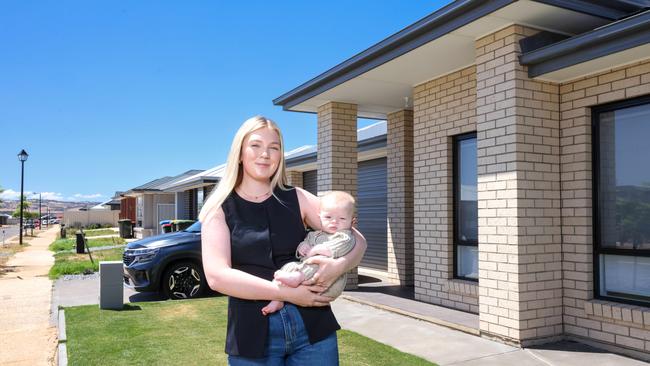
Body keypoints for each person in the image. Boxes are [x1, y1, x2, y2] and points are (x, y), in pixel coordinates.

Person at [199, 116, 367, 365]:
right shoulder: (219, 209)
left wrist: (339, 266)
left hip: (314, 329)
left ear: (280, 155)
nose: (265, 154)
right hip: (252, 334)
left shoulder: (296, 197)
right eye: (256, 145)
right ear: (240, 153)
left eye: (274, 147)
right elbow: (217, 277)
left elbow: (357, 239)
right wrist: (287, 293)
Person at [261, 191, 356, 316]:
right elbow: (304, 250)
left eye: (342, 218)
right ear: (319, 217)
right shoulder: (314, 235)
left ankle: (297, 278)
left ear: (352, 222)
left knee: (318, 260)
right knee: (289, 267)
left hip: (329, 284)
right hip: (310, 277)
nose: (334, 222)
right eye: (328, 217)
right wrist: (303, 247)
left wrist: (314, 250)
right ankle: (277, 299)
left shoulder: (344, 236)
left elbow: (329, 250)